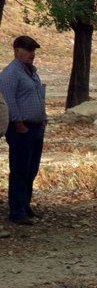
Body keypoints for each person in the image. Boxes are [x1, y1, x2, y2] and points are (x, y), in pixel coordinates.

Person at [0, 36, 47, 226]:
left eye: (33, 50)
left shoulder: (31, 72)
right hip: (21, 129)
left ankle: (26, 205)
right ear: (16, 50)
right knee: (20, 169)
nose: (32, 53)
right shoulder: (10, 74)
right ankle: (17, 211)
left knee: (31, 169)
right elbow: (8, 101)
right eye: (28, 50)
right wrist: (19, 124)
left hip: (35, 127)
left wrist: (43, 119)